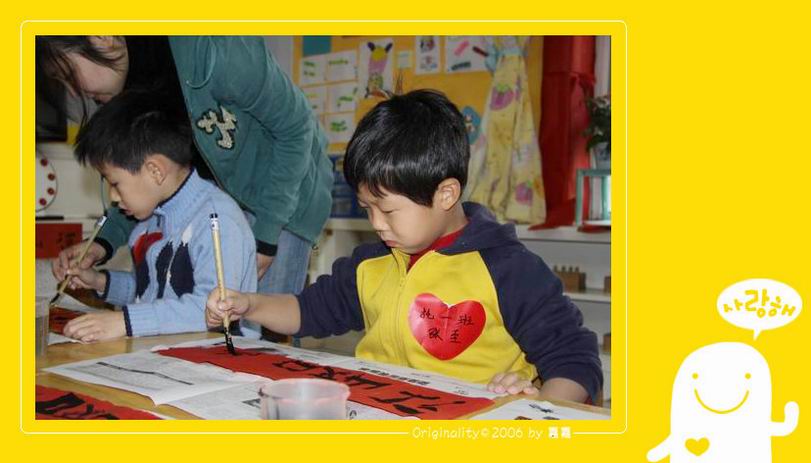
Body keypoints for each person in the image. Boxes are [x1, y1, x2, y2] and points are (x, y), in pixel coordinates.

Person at [205, 89, 603, 402]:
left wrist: (536, 409)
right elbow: (307, 311)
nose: (376, 224)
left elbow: (575, 360)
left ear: (446, 194)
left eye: (388, 210)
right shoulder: (372, 262)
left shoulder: (508, 269)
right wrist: (249, 305)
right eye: (367, 208)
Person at [40, 36, 332, 339]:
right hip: (207, 209)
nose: (73, 92)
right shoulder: (157, 216)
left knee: (267, 333)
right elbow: (155, 287)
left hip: (277, 198)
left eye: (68, 74)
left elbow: (295, 128)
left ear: (100, 35)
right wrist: (102, 248)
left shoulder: (214, 46)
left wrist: (267, 235)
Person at [59, 91, 256, 342]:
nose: (114, 197)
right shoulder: (149, 221)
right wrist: (99, 282)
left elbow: (215, 310)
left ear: (155, 171)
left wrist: (126, 321)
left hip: (222, 354)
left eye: (115, 183)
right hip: (166, 352)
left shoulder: (218, 221)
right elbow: (152, 295)